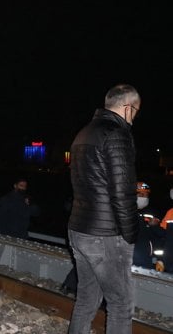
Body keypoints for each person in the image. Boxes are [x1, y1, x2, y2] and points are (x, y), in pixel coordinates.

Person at [66, 84, 141, 334]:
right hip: (106, 235)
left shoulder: (84, 133)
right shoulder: (117, 134)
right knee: (121, 304)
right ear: (128, 108)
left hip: (79, 228)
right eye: (136, 111)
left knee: (86, 300)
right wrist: (130, 235)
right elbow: (123, 193)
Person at [132, 181, 166, 269]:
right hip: (127, 260)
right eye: (140, 194)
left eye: (146, 195)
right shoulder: (124, 213)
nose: (144, 197)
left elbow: (161, 236)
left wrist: (160, 259)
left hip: (147, 261)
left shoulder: (152, 213)